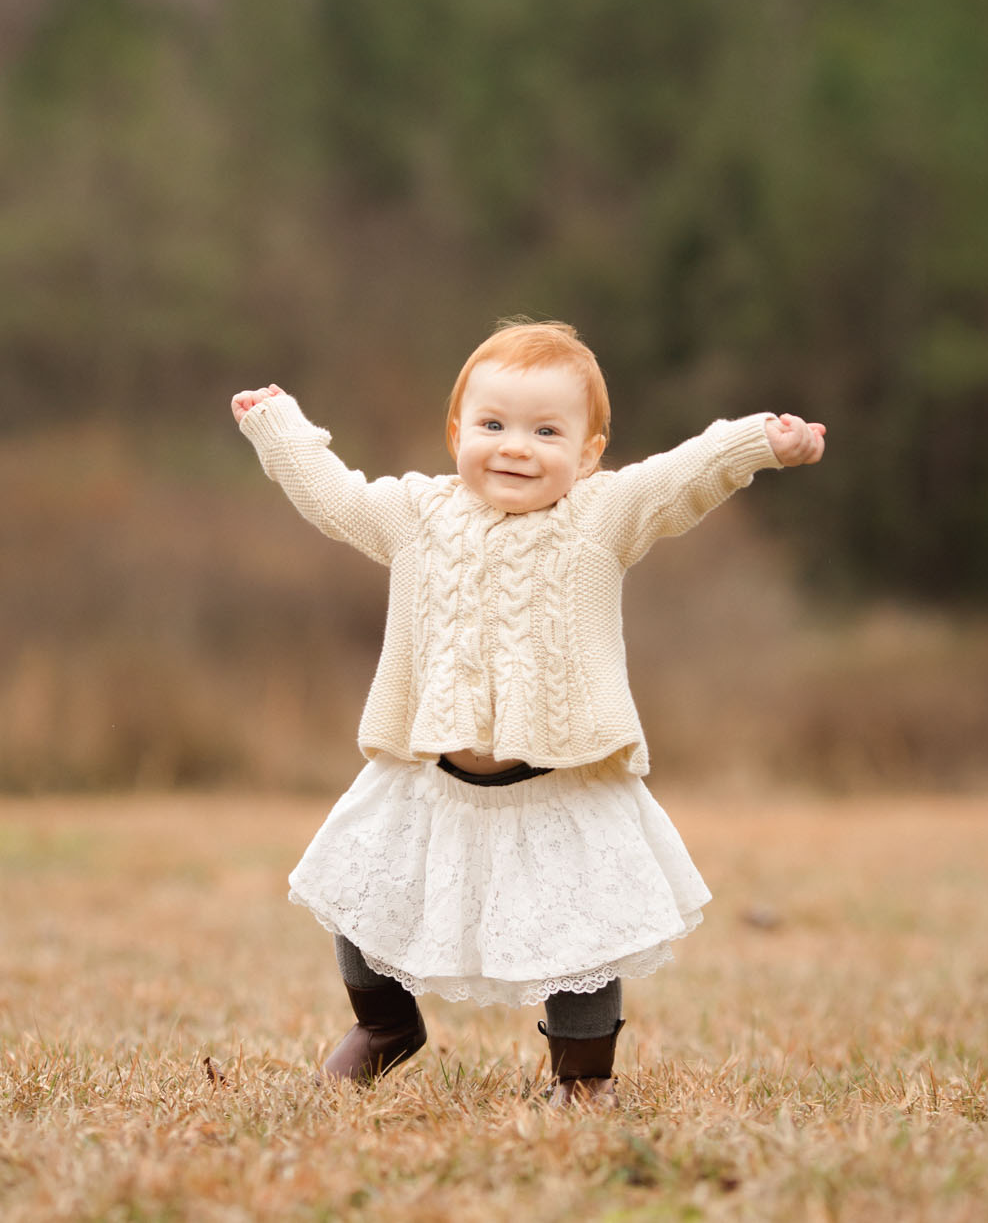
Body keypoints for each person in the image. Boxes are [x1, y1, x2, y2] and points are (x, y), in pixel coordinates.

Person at [231, 318, 825, 1108]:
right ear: (455, 433)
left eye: (547, 431)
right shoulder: (415, 516)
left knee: (580, 930)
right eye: (493, 425)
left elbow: (681, 477)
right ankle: (384, 1027)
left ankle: (583, 1078)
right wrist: (280, 426)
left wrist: (760, 441)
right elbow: (332, 496)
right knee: (364, 891)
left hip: (559, 781)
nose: (516, 446)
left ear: (587, 453)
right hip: (429, 776)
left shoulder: (600, 516)